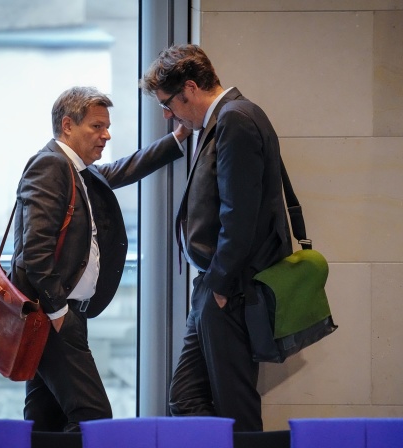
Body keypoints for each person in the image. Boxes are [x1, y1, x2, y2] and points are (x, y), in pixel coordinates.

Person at [10, 86, 189, 432]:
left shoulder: (78, 172)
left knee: (46, 421)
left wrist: (177, 139)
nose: (106, 135)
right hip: (52, 316)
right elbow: (35, 252)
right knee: (94, 420)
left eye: (106, 126)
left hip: (60, 315)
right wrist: (60, 313)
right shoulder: (50, 166)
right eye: (96, 126)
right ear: (67, 126)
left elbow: (122, 170)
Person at [140, 44, 292, 432]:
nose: (167, 114)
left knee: (235, 407)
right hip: (216, 285)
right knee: (187, 397)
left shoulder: (235, 119)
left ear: (189, 88)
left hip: (230, 288)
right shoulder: (230, 117)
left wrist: (221, 285)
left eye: (168, 103)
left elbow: (240, 214)